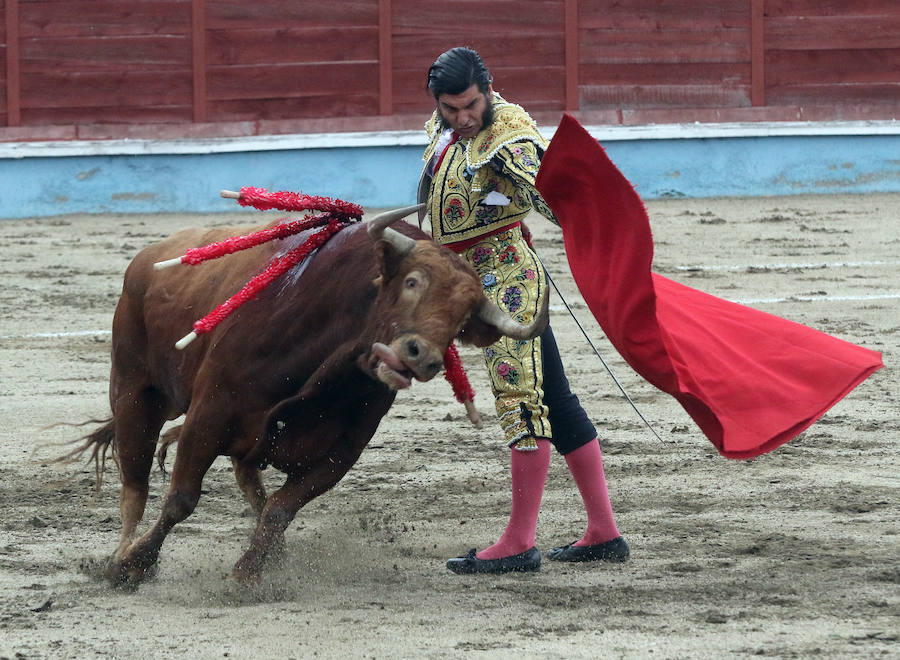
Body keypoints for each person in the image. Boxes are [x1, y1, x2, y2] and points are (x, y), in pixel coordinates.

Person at [417, 46, 629, 574]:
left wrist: (591, 229)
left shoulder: (509, 137)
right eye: (451, 109)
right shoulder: (440, 129)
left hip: (509, 285)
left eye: (470, 106)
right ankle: (603, 532)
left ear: (489, 89)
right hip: (467, 281)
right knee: (554, 397)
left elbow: (555, 198)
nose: (462, 118)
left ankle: (519, 541)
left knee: (521, 399)